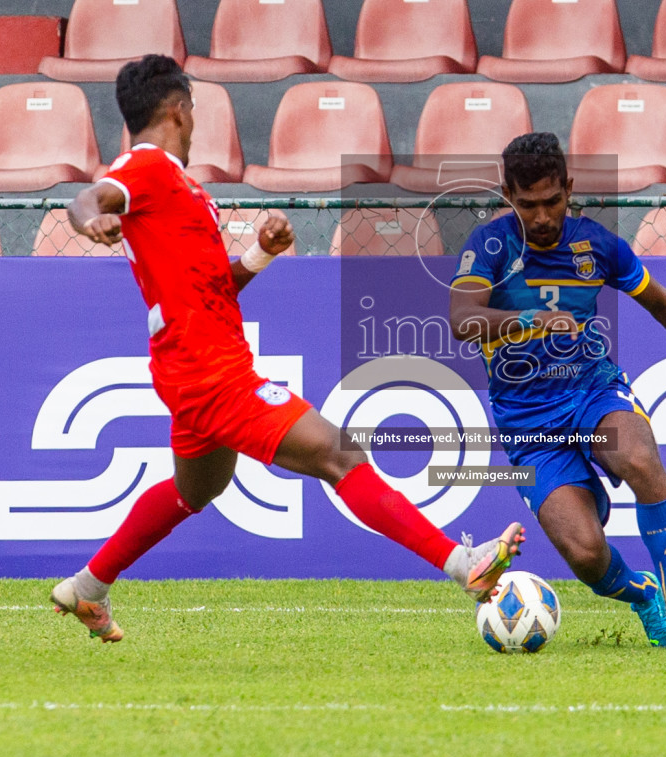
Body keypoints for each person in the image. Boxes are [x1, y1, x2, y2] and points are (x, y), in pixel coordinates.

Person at [50, 55, 524, 641]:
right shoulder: (146, 169)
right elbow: (86, 199)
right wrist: (89, 220)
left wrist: (259, 256)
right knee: (339, 454)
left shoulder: (177, 185)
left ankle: (87, 587)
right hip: (208, 370)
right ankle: (462, 565)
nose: (195, 122)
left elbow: (208, 285)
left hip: (195, 362)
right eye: (193, 110)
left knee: (196, 489)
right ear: (179, 108)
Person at [448, 133, 666, 651]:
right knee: (586, 556)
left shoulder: (596, 244)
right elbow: (462, 321)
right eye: (528, 205)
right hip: (527, 424)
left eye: (553, 201)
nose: (543, 216)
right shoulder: (489, 246)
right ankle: (643, 594)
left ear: (569, 189)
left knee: (639, 460)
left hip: (593, 392)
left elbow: (664, 304)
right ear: (508, 196)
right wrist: (532, 321)